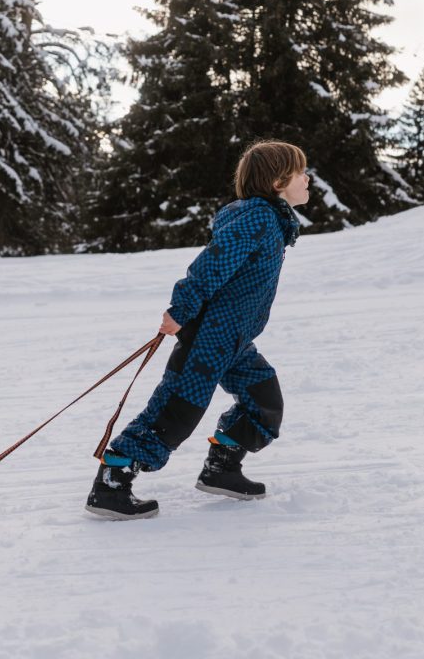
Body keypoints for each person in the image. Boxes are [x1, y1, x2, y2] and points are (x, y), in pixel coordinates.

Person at [86, 140, 309, 520]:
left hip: (235, 340)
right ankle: (112, 482)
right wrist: (182, 309)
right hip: (210, 337)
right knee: (176, 411)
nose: (307, 179)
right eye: (301, 172)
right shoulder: (257, 219)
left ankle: (222, 467)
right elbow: (212, 266)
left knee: (264, 400)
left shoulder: (271, 218)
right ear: (277, 182)